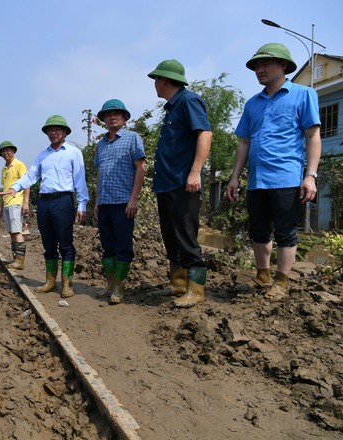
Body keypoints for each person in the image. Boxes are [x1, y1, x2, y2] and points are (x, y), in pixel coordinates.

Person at [226, 43, 321, 301]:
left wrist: (310, 175)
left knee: (285, 231)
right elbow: (244, 142)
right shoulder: (252, 103)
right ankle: (263, 275)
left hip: (287, 176)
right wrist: (235, 176)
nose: (259, 69)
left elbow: (312, 135)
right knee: (258, 229)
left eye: (265, 64)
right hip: (257, 179)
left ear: (283, 65)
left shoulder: (303, 94)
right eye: (256, 66)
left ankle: (281, 281)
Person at [0, 115, 89, 298]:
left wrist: (82, 204)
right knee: (48, 243)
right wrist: (14, 188)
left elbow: (80, 180)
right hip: (44, 203)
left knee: (65, 244)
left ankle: (66, 284)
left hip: (63, 201)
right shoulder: (43, 155)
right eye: (50, 130)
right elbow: (31, 175)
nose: (53, 133)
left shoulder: (73, 153)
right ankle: (49, 281)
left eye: (57, 130)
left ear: (64, 132)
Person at [148, 60, 212, 308]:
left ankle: (196, 289)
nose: (155, 84)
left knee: (186, 235)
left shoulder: (188, 101)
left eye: (156, 80)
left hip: (183, 183)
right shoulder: (171, 108)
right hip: (166, 184)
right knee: (171, 235)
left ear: (163, 80)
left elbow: (205, 134)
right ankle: (177, 282)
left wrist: (195, 172)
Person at [93, 99, 146, 305]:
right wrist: (97, 201)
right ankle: (109, 283)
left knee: (123, 246)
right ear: (103, 119)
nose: (112, 117)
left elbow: (140, 169)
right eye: (108, 114)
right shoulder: (101, 144)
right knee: (107, 246)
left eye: (117, 113)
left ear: (124, 118)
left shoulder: (132, 138)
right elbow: (99, 173)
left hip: (124, 202)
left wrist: (134, 199)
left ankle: (119, 288)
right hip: (105, 202)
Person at [0, 140, 30, 270]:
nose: (5, 153)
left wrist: (25, 202)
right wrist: (0, 206)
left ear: (13, 151)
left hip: (16, 203)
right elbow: (4, 188)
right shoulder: (3, 170)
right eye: (3, 151)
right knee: (11, 232)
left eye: (8, 150)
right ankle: (16, 258)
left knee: (17, 231)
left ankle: (20, 262)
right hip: (7, 204)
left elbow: (26, 184)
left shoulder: (19, 165)